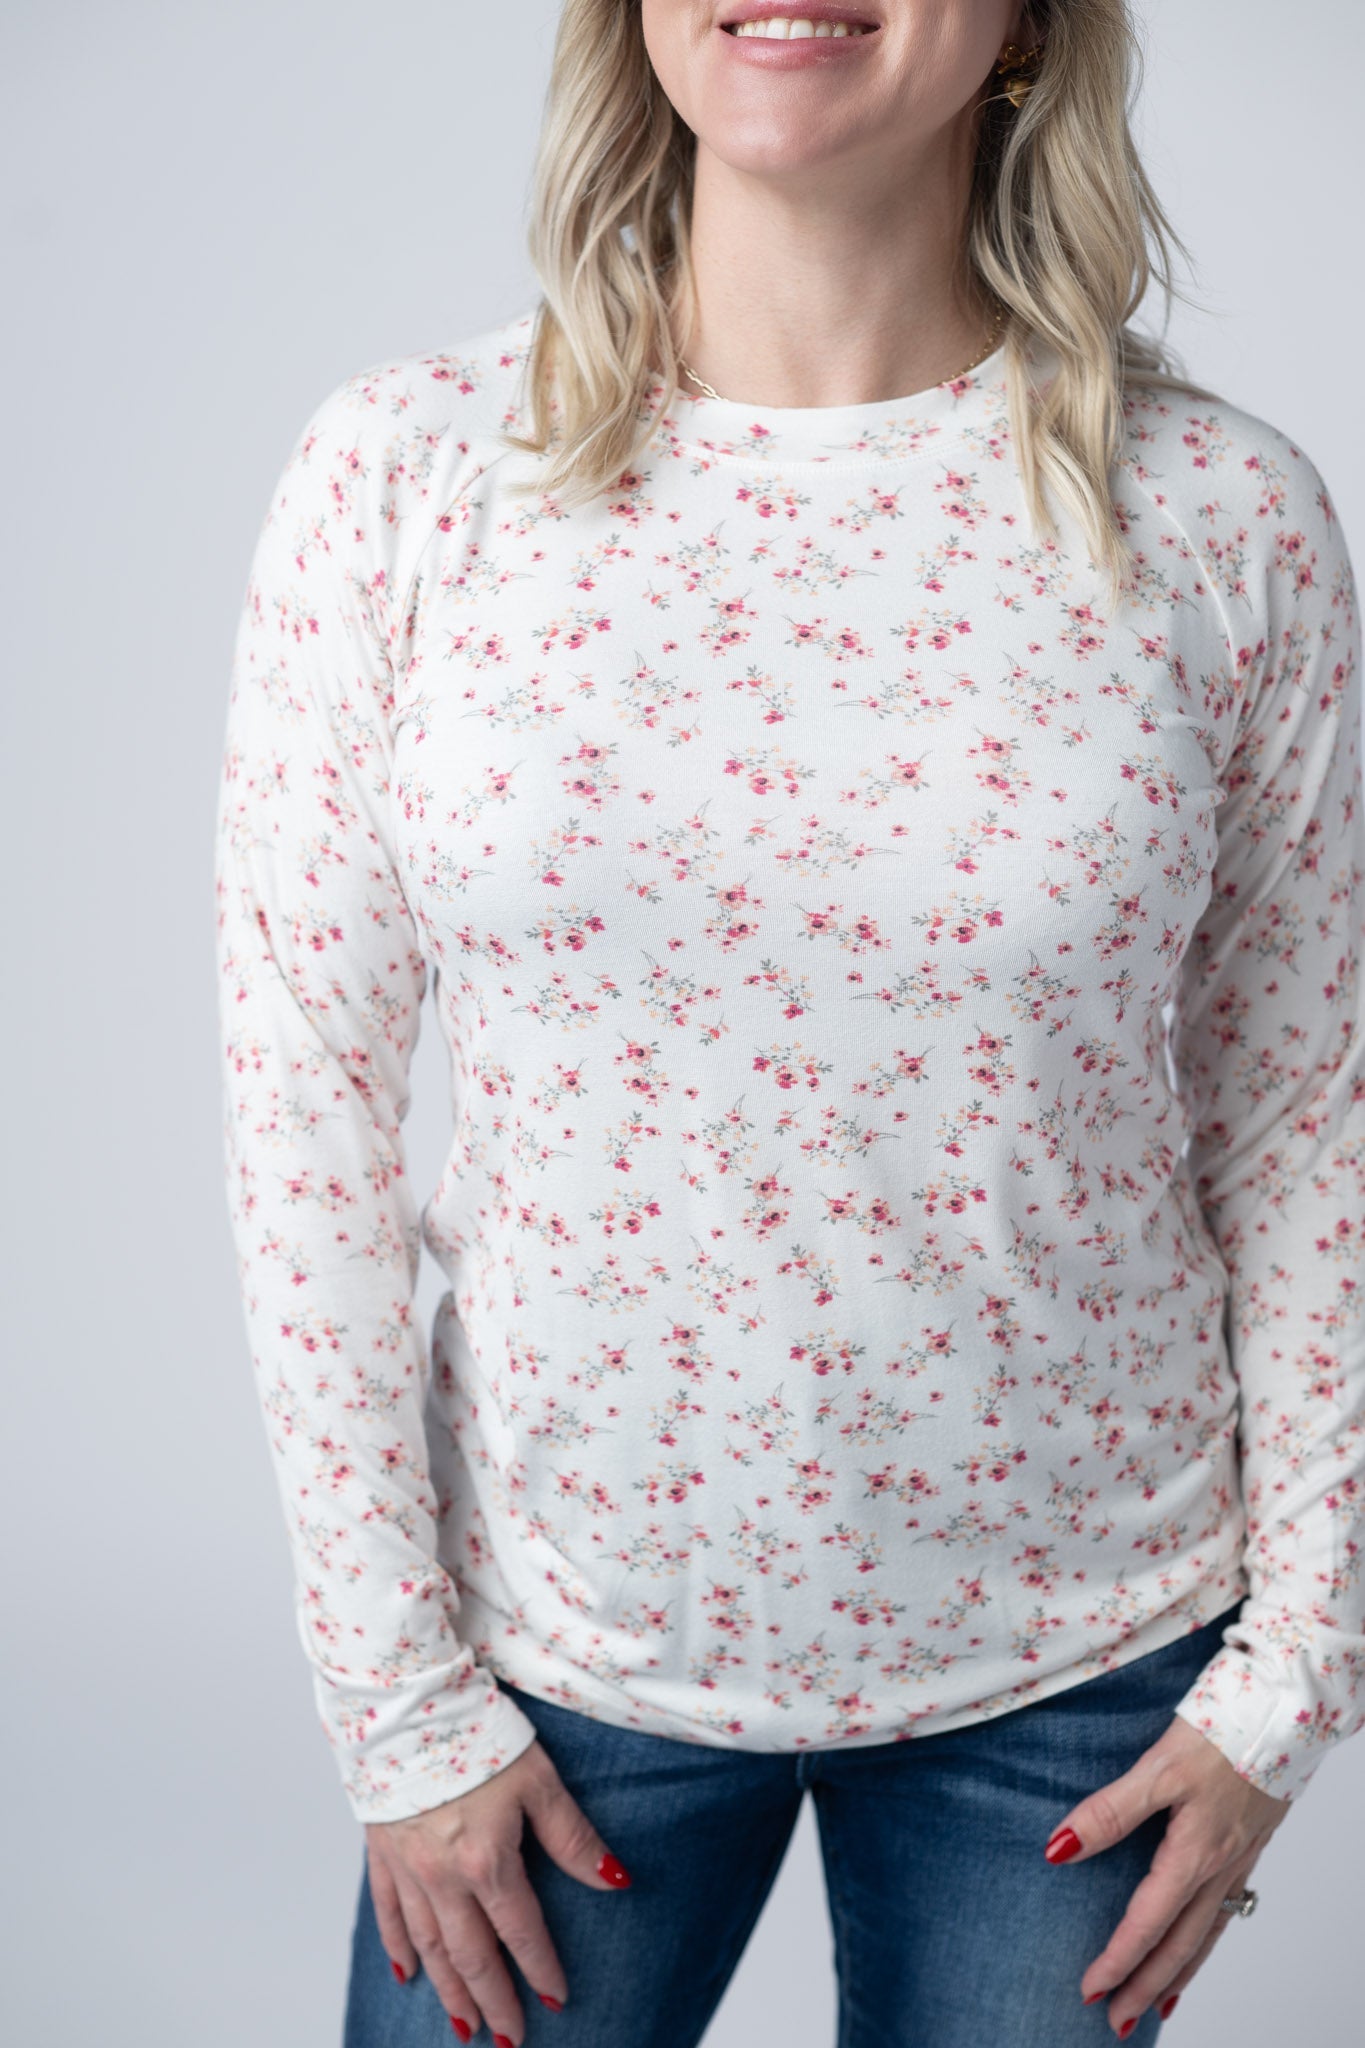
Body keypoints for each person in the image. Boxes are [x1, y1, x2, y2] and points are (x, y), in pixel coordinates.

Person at [212, 3, 1365, 2044]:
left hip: (1081, 1680)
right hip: (555, 1669)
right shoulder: (403, 480)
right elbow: (301, 1105)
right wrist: (401, 1708)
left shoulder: (1217, 519)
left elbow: (1306, 1127)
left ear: (1021, 30)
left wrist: (1291, 1679)